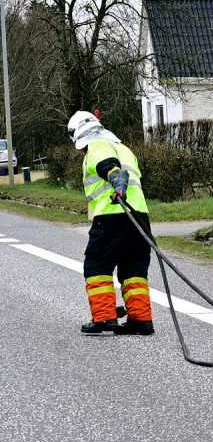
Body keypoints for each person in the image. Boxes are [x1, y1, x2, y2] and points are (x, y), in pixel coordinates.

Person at [67, 111, 154, 335]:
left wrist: (118, 184)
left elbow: (111, 168)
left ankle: (104, 317)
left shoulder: (97, 146)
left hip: (112, 213)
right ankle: (140, 319)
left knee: (97, 265)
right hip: (139, 217)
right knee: (133, 267)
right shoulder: (124, 148)